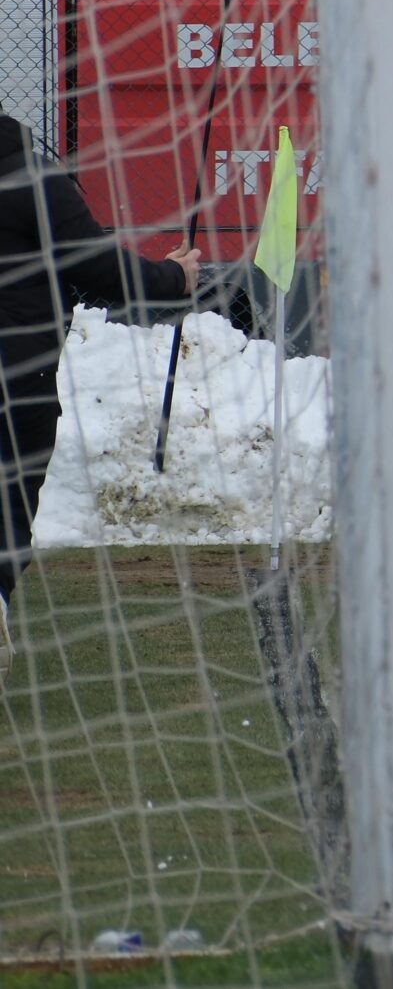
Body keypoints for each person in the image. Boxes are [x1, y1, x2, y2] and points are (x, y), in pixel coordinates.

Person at [0, 110, 199, 681]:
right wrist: (172, 278)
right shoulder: (34, 179)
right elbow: (101, 268)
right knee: (10, 502)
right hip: (19, 379)